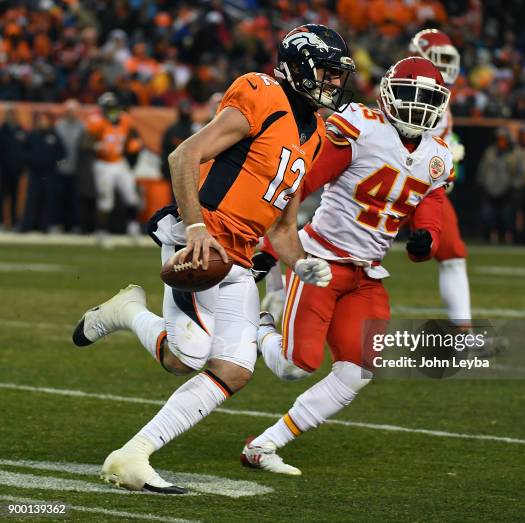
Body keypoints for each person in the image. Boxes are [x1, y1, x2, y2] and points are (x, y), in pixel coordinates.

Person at [71, 24, 355, 493]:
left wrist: (301, 262)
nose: (333, 83)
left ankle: (132, 455)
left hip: (239, 257)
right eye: (326, 71)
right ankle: (128, 313)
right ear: (299, 66)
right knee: (189, 355)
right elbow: (184, 155)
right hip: (199, 239)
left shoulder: (318, 135)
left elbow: (283, 230)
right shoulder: (261, 93)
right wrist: (197, 227)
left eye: (336, 74)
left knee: (234, 368)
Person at [242, 57, 454, 475]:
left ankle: (264, 445)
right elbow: (303, 181)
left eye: (426, 98)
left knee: (357, 371)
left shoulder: (438, 154)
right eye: (410, 94)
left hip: (367, 274)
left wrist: (427, 239)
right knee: (293, 367)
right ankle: (258, 325)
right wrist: (273, 244)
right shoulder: (360, 126)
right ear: (389, 93)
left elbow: (431, 201)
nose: (417, 105)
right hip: (320, 260)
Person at [408, 28, 472, 328]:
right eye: (438, 59)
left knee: (453, 255)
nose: (444, 66)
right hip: (395, 175)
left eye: (448, 60)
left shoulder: (443, 98)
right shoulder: (407, 85)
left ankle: (464, 329)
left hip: (425, 185)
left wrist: (446, 160)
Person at [86, 92, 142, 245]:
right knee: (106, 202)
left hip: (120, 162)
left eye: (113, 107)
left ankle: (133, 229)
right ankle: (101, 232)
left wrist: (133, 144)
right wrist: (96, 145)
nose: (111, 111)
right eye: (108, 108)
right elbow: (85, 143)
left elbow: (133, 136)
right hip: (103, 164)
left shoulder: (125, 120)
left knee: (132, 197)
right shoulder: (96, 122)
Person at [20, 112, 65, 232]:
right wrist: (29, 162)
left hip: (49, 173)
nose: (42, 123)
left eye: (44, 120)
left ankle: (44, 226)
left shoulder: (54, 136)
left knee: (48, 199)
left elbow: (63, 155)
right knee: (32, 199)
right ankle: (27, 225)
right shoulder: (32, 135)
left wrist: (56, 166)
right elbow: (23, 151)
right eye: (40, 120)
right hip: (34, 172)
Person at [477, 127, 516, 243]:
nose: (501, 142)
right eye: (499, 139)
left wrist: (513, 185)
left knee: (505, 216)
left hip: (506, 189)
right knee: (487, 215)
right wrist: (482, 181)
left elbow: (517, 171)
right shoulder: (490, 152)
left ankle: (503, 236)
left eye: (503, 139)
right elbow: (483, 168)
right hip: (490, 188)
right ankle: (488, 236)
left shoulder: (513, 154)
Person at [54, 99, 85, 232]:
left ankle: (74, 225)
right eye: (69, 111)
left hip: (76, 169)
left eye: (73, 111)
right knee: (59, 198)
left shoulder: (82, 127)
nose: (71, 113)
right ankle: (59, 224)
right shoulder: (59, 125)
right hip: (61, 169)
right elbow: (56, 148)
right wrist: (58, 163)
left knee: (75, 200)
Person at [0, 104, 27, 230]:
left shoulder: (20, 130)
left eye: (12, 113)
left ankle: (15, 222)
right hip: (3, 169)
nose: (10, 116)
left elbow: (25, 150)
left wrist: (22, 165)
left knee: (16, 196)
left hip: (16, 169)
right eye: (8, 113)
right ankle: (2, 222)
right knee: (3, 196)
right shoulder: (2, 130)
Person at [160, 99, 199, 187]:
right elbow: (165, 150)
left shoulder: (197, 129)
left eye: (187, 108)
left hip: (193, 169)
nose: (185, 111)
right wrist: (164, 167)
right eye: (183, 109)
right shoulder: (171, 130)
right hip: (174, 169)